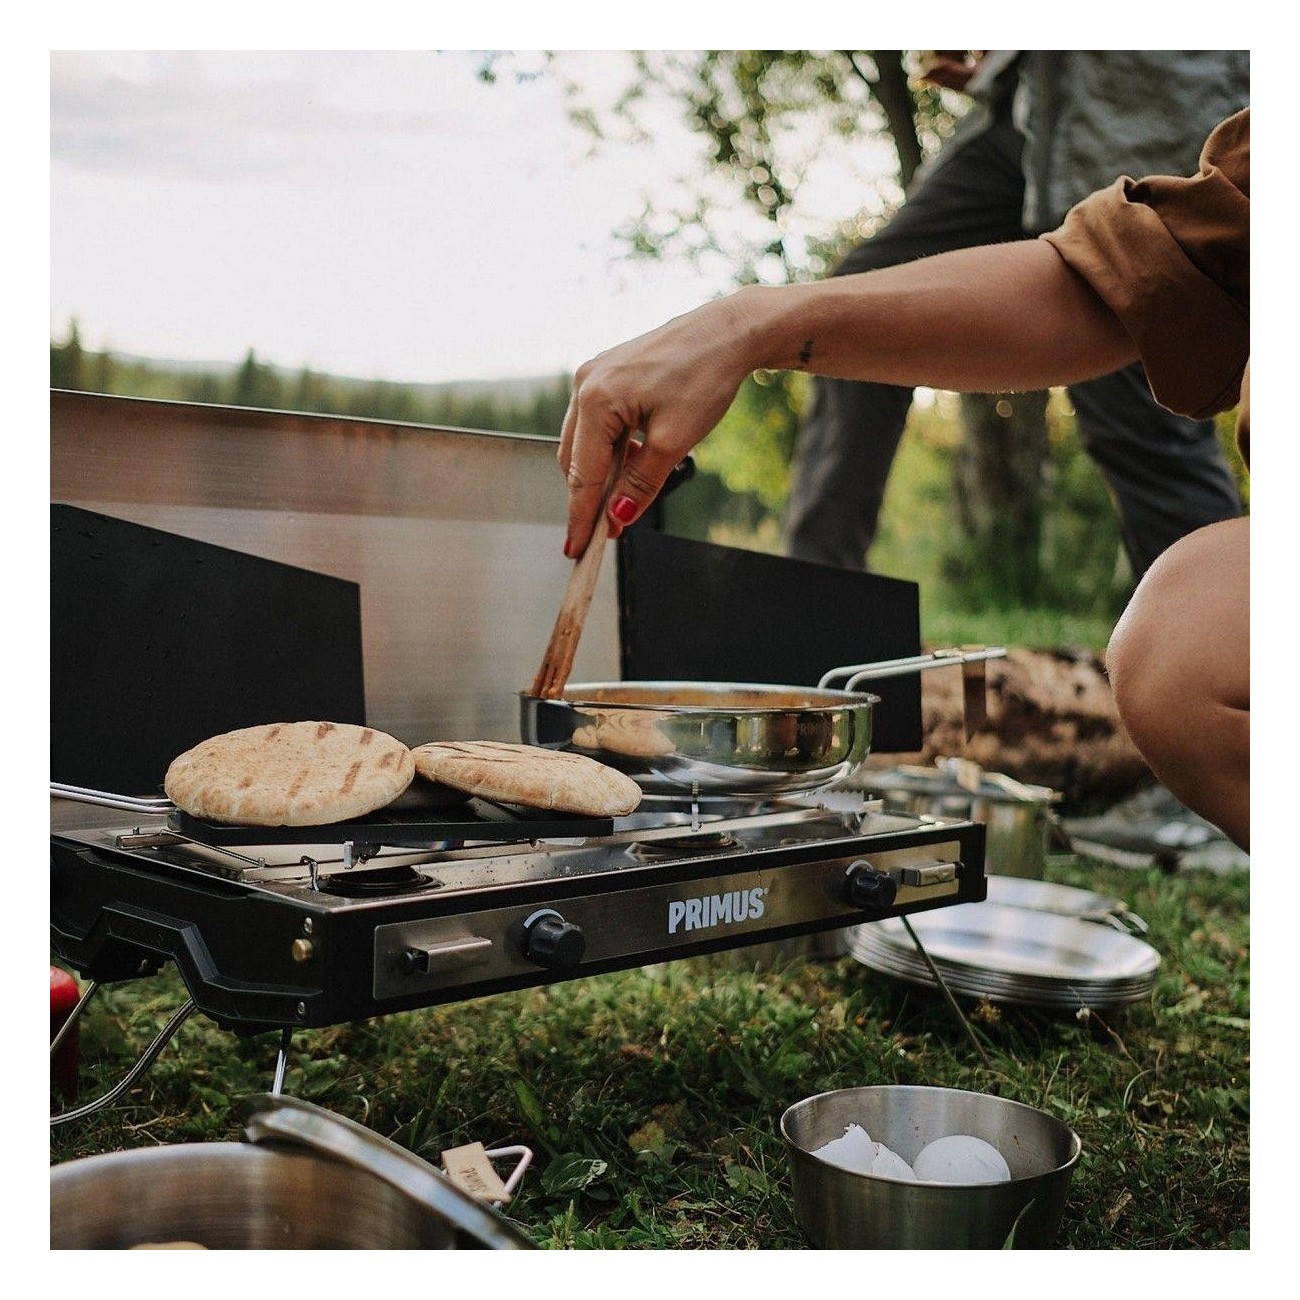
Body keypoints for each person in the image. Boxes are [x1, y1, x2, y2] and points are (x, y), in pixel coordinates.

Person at [556, 109, 1249, 851]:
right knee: (1183, 647)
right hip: (1041, 93)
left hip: (1128, 90)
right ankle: (802, 667)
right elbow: (1110, 286)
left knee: (1170, 601)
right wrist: (744, 326)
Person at [784, 51, 1249, 580]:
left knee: (1141, 418)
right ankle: (813, 603)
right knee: (852, 309)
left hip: (1141, 124)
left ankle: (1224, 639)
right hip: (1028, 115)